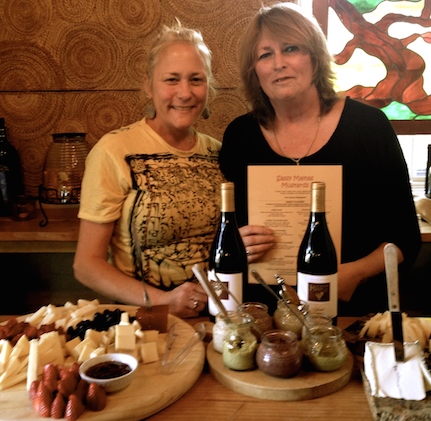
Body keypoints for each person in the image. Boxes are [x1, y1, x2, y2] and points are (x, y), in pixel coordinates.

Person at [219, 3, 421, 316]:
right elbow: (229, 233)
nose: (279, 63)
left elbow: (405, 238)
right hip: (266, 318)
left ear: (315, 57)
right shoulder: (239, 136)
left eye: (291, 49)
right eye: (265, 55)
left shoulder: (369, 127)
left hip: (354, 313)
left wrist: (353, 275)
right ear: (254, 71)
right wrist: (236, 243)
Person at [73, 20, 273, 319]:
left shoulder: (218, 152)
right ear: (148, 85)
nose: (185, 92)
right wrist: (163, 300)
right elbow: (86, 265)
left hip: (217, 317)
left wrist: (240, 244)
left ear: (208, 87)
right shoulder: (113, 151)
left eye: (196, 79)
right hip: (148, 321)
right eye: (171, 80)